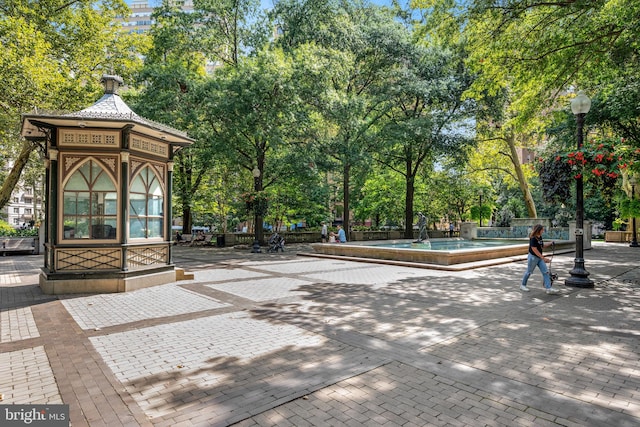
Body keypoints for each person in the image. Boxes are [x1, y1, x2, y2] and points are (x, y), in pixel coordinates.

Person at [521, 224, 558, 294]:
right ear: (538, 230)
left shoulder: (539, 237)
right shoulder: (533, 238)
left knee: (545, 272)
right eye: (542, 230)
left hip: (539, 258)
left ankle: (548, 288)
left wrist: (550, 243)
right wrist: (543, 258)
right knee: (529, 272)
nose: (543, 231)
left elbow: (542, 246)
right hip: (533, 258)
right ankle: (523, 285)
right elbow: (534, 250)